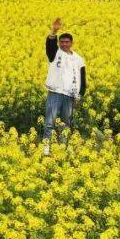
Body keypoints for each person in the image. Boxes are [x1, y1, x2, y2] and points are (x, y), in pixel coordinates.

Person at [42, 18, 86, 153]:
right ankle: (46, 149)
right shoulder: (55, 54)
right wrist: (53, 32)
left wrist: (80, 96)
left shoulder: (79, 59)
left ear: (72, 43)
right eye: (62, 42)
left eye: (67, 42)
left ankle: (62, 148)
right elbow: (50, 45)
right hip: (55, 92)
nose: (64, 44)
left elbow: (82, 79)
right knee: (50, 122)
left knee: (66, 123)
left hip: (70, 95)